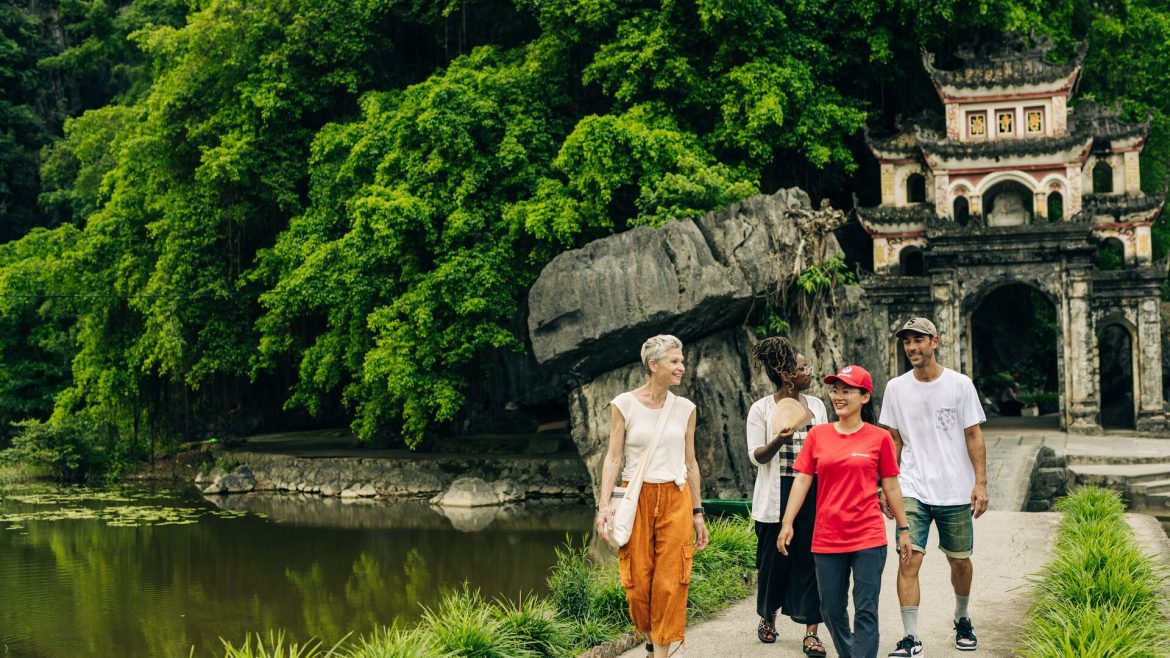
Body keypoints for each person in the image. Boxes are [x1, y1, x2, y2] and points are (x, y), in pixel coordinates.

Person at [779, 364, 912, 658]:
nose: (838, 396)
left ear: (864, 397)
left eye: (847, 391)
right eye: (835, 390)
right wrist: (787, 523)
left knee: (866, 609)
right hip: (827, 537)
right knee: (831, 608)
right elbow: (802, 480)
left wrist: (903, 529)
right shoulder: (818, 435)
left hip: (868, 536)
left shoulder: (879, 438)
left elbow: (891, 486)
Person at [878, 317, 988, 656]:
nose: (911, 347)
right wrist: (886, 485)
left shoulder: (959, 385)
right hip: (911, 488)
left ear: (934, 342)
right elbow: (894, 441)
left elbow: (973, 435)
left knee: (960, 561)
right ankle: (911, 637)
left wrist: (980, 483)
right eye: (906, 341)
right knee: (908, 560)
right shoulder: (896, 388)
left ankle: (962, 617)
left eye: (918, 340)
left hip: (954, 489)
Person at [596, 335, 710, 658]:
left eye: (682, 361)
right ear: (653, 365)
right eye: (674, 361)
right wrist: (604, 506)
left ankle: (660, 652)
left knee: (671, 580)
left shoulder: (686, 409)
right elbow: (613, 457)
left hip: (676, 497)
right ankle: (651, 640)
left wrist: (698, 512)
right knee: (637, 580)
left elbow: (691, 462)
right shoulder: (624, 404)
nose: (681, 367)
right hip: (637, 498)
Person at [745, 337, 828, 656]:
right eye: (803, 368)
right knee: (772, 563)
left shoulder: (816, 406)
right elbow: (757, 457)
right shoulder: (762, 409)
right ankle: (768, 616)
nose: (810, 372)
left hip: (811, 492)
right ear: (785, 373)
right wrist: (779, 440)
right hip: (775, 494)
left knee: (812, 561)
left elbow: (825, 453)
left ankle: (811, 633)